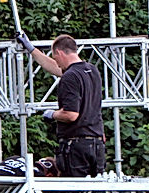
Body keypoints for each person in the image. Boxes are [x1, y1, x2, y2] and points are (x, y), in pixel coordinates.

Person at [16, 33, 106, 177]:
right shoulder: (92, 70)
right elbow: (59, 69)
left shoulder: (70, 77)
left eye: (55, 57)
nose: (56, 62)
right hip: (96, 144)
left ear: (59, 52)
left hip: (76, 147)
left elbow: (71, 115)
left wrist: (52, 114)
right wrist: (32, 49)